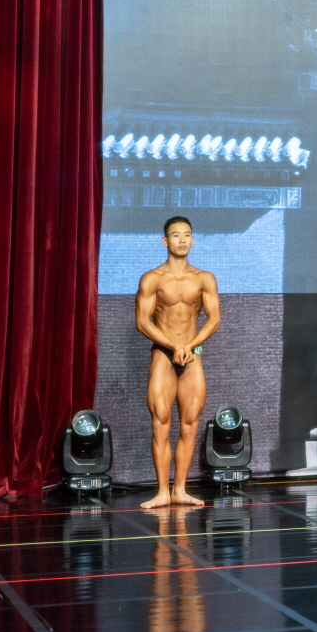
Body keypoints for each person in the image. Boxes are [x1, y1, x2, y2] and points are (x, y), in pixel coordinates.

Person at [135, 215, 221, 508]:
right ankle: (162, 492)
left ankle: (180, 490)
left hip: (193, 356)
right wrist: (173, 346)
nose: (182, 240)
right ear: (165, 241)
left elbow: (214, 319)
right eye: (175, 235)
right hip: (163, 354)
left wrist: (190, 346)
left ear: (192, 240)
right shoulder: (153, 278)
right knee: (160, 423)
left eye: (187, 235)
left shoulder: (204, 278)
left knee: (190, 424)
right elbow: (142, 321)